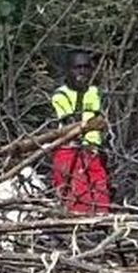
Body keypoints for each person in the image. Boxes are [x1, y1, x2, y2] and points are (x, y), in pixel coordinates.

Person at [47, 50, 112, 213]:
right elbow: (68, 123)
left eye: (86, 67)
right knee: (76, 198)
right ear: (68, 70)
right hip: (68, 152)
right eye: (77, 67)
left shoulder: (94, 93)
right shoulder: (60, 95)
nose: (82, 72)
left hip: (93, 152)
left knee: (101, 197)